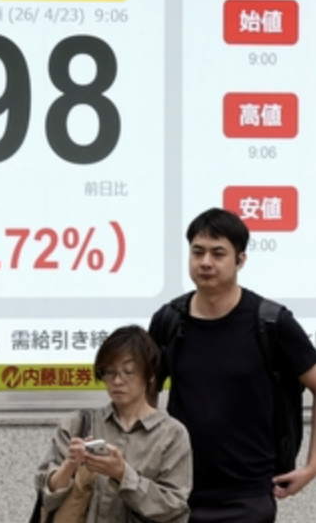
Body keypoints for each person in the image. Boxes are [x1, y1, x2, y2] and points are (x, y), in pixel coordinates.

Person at [149, 207, 316, 522]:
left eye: (218, 253)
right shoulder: (168, 320)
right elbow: (146, 393)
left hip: (248, 497)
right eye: (197, 252)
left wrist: (312, 468)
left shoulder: (272, 322)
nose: (205, 262)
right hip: (177, 493)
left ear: (240, 260)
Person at [35, 325, 192, 522]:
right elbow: (45, 498)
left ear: (151, 374)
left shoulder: (172, 434)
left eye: (128, 371)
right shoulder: (77, 424)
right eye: (109, 372)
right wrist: (69, 466)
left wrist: (123, 475)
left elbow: (173, 507)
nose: (117, 381)